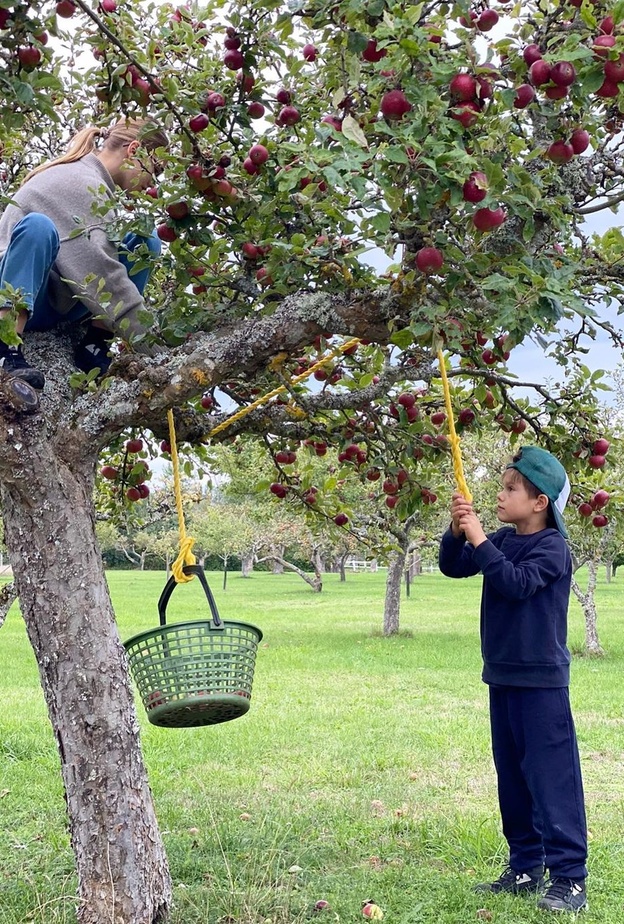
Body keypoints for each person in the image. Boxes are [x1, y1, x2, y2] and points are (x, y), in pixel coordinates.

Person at [438, 445, 588, 913]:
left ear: (539, 501)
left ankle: (570, 878)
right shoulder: (502, 539)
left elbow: (516, 584)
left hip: (542, 683)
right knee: (513, 779)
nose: (500, 497)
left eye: (510, 489)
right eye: (501, 487)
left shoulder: (553, 548)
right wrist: (457, 530)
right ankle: (525, 866)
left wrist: (480, 538)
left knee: (551, 780)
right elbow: (453, 565)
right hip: (501, 676)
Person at [0, 117, 168, 390]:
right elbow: (100, 274)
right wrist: (158, 353)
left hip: (55, 299)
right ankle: (6, 347)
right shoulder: (78, 181)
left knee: (144, 238)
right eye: (156, 168)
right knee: (37, 228)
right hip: (18, 292)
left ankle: (94, 347)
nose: (152, 182)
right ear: (134, 150)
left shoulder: (100, 187)